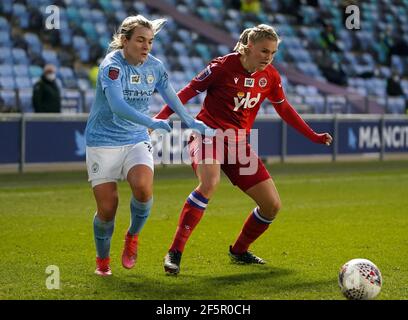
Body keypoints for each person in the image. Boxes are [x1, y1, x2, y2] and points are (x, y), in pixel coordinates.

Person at [155, 24, 333, 275]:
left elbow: (285, 110)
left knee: (271, 206)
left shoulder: (270, 76)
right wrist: (158, 121)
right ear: (248, 47)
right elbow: (185, 93)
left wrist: (313, 136)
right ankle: (175, 252)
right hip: (208, 134)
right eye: (263, 51)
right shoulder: (222, 67)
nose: (268, 58)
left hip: (239, 144)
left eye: (272, 53)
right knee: (209, 183)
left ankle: (239, 251)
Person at [85, 15, 214, 276]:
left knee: (143, 189)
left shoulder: (155, 66)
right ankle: (103, 260)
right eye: (141, 40)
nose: (146, 46)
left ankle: (132, 236)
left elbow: (170, 94)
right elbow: (117, 106)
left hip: (135, 138)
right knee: (107, 210)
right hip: (102, 140)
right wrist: (152, 122)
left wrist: (189, 120)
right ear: (124, 40)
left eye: (150, 41)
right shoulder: (112, 66)